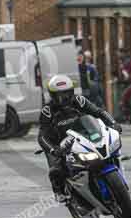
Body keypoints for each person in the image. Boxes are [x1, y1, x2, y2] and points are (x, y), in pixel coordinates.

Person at [38, 74, 122, 203]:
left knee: (108, 149)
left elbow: (99, 112)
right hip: (59, 143)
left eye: (67, 94)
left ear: (71, 92)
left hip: (82, 136)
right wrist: (54, 150)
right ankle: (59, 191)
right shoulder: (47, 111)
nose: (64, 98)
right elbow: (42, 136)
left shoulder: (79, 101)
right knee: (56, 169)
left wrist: (112, 123)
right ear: (53, 96)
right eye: (60, 96)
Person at [117, 49, 131, 124]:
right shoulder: (124, 63)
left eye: (120, 54)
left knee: (122, 103)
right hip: (127, 84)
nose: (118, 55)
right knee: (125, 103)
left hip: (130, 85)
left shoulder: (127, 63)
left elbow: (128, 76)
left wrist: (121, 80)